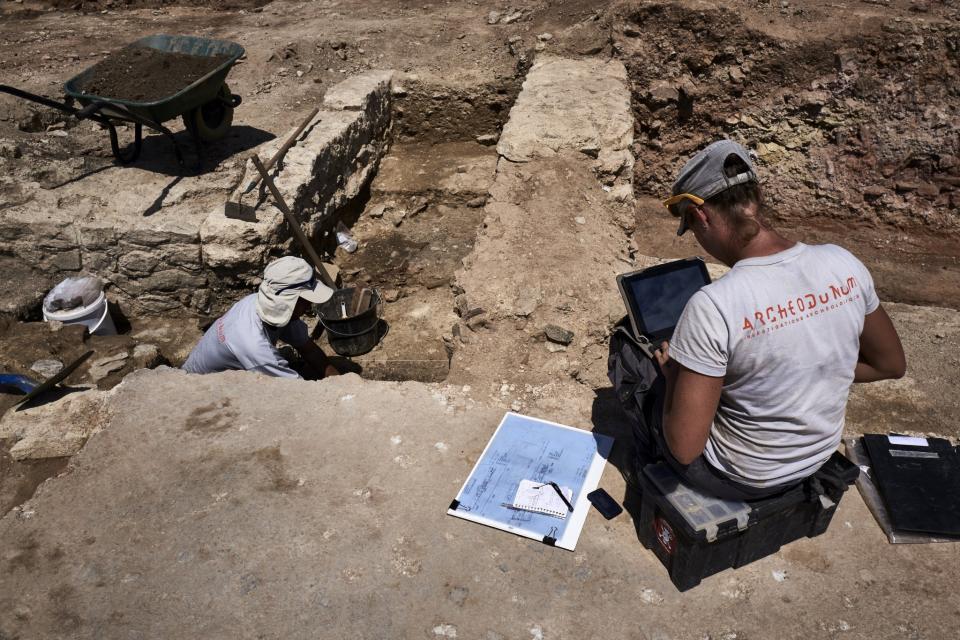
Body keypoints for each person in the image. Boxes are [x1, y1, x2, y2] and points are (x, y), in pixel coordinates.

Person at [629, 139, 906, 501]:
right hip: (817, 457)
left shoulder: (714, 304)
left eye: (693, 230)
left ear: (700, 216)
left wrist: (673, 377)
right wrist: (810, 369)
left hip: (741, 478)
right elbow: (891, 365)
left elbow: (685, 449)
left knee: (637, 359)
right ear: (756, 197)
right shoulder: (843, 263)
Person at [183, 256, 340, 379]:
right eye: (306, 300)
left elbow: (309, 350)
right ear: (289, 301)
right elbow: (296, 391)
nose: (309, 305)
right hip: (199, 388)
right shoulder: (257, 349)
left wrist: (337, 380)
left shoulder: (263, 303)